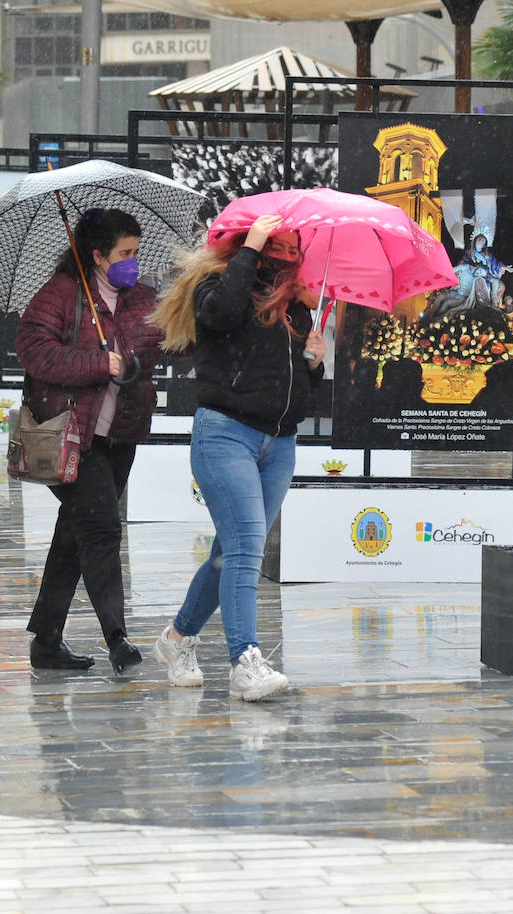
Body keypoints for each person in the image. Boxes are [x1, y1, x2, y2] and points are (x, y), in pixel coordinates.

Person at [148, 213, 326, 701]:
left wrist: (315, 363)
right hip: (225, 435)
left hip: (279, 444)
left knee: (231, 553)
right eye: (280, 243)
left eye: (295, 244)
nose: (290, 252)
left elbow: (301, 398)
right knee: (247, 549)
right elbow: (221, 314)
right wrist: (248, 251)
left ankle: (177, 639)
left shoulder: (296, 308)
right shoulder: (217, 283)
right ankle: (245, 660)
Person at [16, 208, 163, 674]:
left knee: (73, 532)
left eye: (137, 252)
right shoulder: (62, 293)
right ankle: (117, 638)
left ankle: (47, 639)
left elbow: (169, 339)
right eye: (124, 253)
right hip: (71, 434)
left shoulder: (141, 297)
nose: (132, 262)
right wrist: (100, 364)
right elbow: (34, 352)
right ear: (98, 256)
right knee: (100, 527)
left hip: (120, 434)